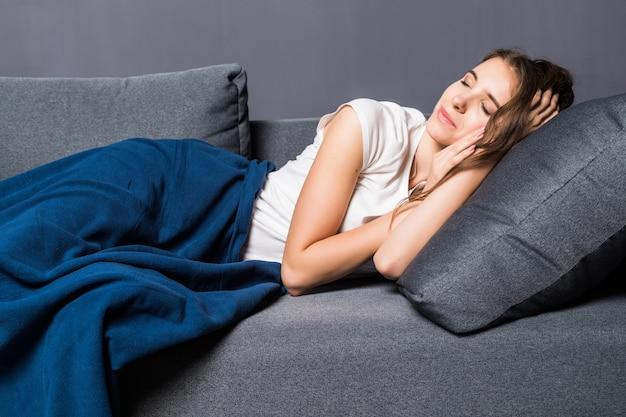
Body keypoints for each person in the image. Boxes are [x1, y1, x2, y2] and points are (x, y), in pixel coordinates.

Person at [245, 47, 574, 296]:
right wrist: (419, 199)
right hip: (221, 209)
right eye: (466, 81)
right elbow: (298, 272)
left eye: (486, 108)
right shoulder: (367, 122)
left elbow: (392, 260)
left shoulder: (474, 190)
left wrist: (486, 157)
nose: (459, 99)